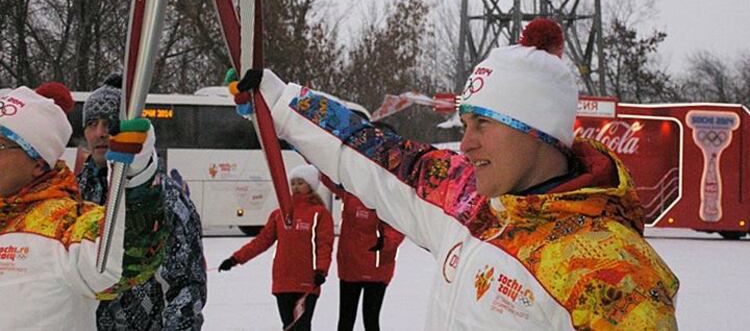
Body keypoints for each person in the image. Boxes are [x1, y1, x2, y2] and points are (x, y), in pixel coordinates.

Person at [230, 18, 679, 329]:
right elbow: (371, 150)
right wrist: (278, 101)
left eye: (483, 123)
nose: (466, 143)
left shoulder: (616, 275)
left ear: (538, 132)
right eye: (465, 124)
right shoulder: (467, 197)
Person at [0, 85, 166, 330]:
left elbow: (125, 262)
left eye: (1, 145)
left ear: (38, 162)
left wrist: (136, 174)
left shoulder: (69, 224)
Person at [79, 73, 207, 330]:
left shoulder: (166, 197)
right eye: (92, 124)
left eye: (110, 123)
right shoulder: (75, 193)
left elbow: (187, 284)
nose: (100, 133)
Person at [218, 164, 334, 331]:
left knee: (302, 327)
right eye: (293, 183)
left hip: (307, 280)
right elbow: (261, 241)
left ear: (310, 186)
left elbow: (324, 245)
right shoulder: (279, 214)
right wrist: (235, 259)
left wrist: (321, 271)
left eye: (300, 182)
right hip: (283, 280)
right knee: (288, 327)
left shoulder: (320, 213)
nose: (295, 187)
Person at [329, 184, 404, 331]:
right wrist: (314, 161)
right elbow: (328, 177)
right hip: (351, 268)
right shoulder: (351, 194)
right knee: (347, 318)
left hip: (375, 269)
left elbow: (397, 228)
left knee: (369, 319)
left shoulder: (387, 200)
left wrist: (386, 242)